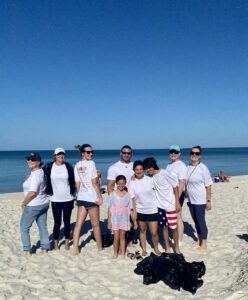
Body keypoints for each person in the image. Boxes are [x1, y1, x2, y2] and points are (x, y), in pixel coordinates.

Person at [143, 157, 181, 254]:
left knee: (174, 227)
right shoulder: (150, 177)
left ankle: (176, 247)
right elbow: (139, 179)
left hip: (170, 205)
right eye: (146, 169)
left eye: (148, 168)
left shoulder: (165, 173)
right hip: (160, 206)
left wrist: (177, 202)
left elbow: (175, 187)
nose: (147, 171)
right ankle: (167, 248)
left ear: (153, 166)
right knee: (164, 228)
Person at [73, 144, 103, 255]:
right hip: (91, 197)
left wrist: (78, 196)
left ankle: (75, 248)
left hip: (81, 196)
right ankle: (99, 248)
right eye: (88, 152)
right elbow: (94, 182)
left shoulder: (77, 165)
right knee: (95, 225)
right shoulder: (91, 164)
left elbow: (77, 183)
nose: (91, 154)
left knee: (78, 224)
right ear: (82, 153)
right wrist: (100, 196)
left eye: (92, 152)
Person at [43, 147, 75, 251]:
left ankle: (66, 241)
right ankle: (56, 243)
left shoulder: (68, 166)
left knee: (67, 221)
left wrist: (75, 196)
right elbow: (39, 173)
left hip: (68, 198)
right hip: (55, 199)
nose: (61, 156)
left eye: (62, 154)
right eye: (58, 154)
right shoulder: (48, 166)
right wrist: (29, 175)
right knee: (57, 222)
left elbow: (74, 181)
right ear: (55, 156)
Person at [128, 160, 161, 256]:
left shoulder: (151, 179)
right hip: (140, 210)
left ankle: (156, 248)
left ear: (144, 169)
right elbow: (132, 199)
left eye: (141, 169)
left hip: (152, 210)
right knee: (142, 231)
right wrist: (134, 213)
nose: (139, 171)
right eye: (136, 169)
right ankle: (144, 249)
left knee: (154, 232)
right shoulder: (132, 182)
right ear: (134, 170)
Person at [20, 152, 49, 255]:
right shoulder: (41, 172)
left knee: (24, 228)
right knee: (42, 227)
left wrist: (24, 203)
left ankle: (27, 250)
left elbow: (32, 192)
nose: (29, 161)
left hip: (33, 205)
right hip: (44, 203)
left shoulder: (36, 174)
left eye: (32, 160)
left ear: (38, 162)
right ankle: (45, 248)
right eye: (28, 159)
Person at [186, 146, 213, 250]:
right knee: (196, 221)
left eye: (196, 153)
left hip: (201, 200)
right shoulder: (187, 167)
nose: (194, 155)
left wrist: (208, 201)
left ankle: (204, 244)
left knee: (201, 221)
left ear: (199, 156)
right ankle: (199, 240)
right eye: (192, 153)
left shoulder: (203, 168)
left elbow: (209, 185)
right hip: (191, 200)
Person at [106, 175, 137, 258]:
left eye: (123, 183)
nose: (121, 185)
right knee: (116, 237)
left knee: (122, 237)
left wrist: (134, 222)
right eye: (119, 183)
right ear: (116, 183)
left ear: (125, 183)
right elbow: (109, 209)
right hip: (115, 219)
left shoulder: (128, 195)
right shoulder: (112, 194)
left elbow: (131, 210)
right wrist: (109, 221)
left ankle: (122, 253)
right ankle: (115, 253)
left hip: (124, 219)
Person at [165, 145, 187, 246]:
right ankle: (174, 236)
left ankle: (180, 240)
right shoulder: (169, 165)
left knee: (178, 216)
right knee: (171, 216)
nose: (173, 154)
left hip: (177, 194)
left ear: (179, 154)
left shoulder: (181, 166)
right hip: (168, 195)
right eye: (171, 152)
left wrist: (177, 198)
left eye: (175, 152)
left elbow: (182, 182)